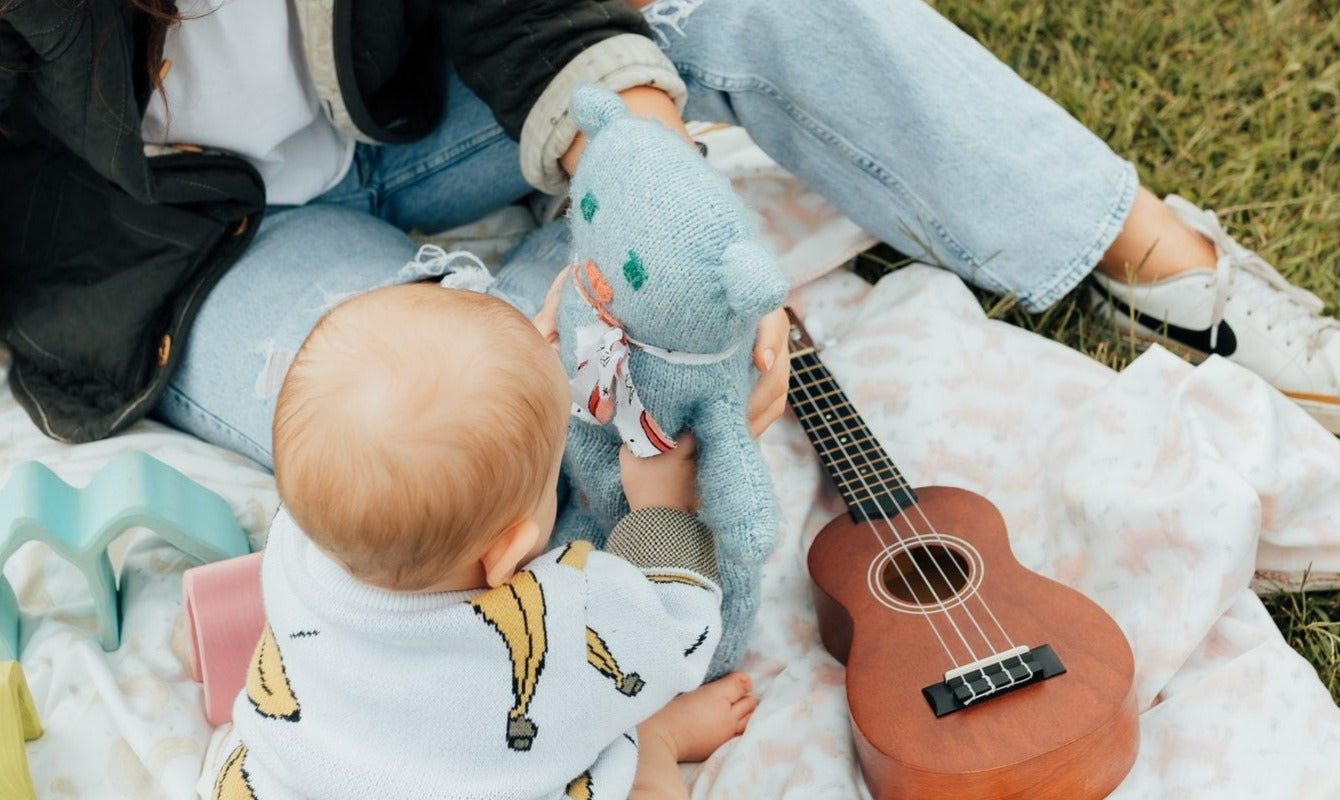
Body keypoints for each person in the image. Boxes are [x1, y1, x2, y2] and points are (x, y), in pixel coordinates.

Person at [1, 0, 1336, 468]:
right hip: (178, 254)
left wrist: (656, 184)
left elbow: (539, 13)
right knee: (469, 443)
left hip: (395, 124)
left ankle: (1164, 267)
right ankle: (559, 312)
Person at [208, 280, 758, 800]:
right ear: (510, 553)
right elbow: (679, 628)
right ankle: (657, 746)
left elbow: (408, 428)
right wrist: (663, 505)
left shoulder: (300, 551)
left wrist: (516, 365)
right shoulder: (555, 620)